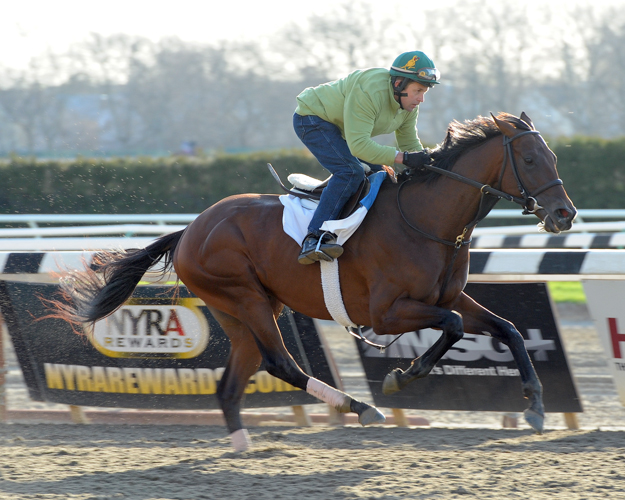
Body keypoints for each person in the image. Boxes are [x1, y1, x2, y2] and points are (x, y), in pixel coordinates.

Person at [293, 50, 441, 265]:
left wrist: (429, 167)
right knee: (350, 172)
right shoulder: (370, 90)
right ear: (398, 84)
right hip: (312, 119)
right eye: (418, 90)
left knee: (383, 174)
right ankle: (314, 238)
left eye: (424, 91)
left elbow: (409, 146)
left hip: (342, 130)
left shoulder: (408, 106)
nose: (421, 98)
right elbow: (359, 146)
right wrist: (405, 158)